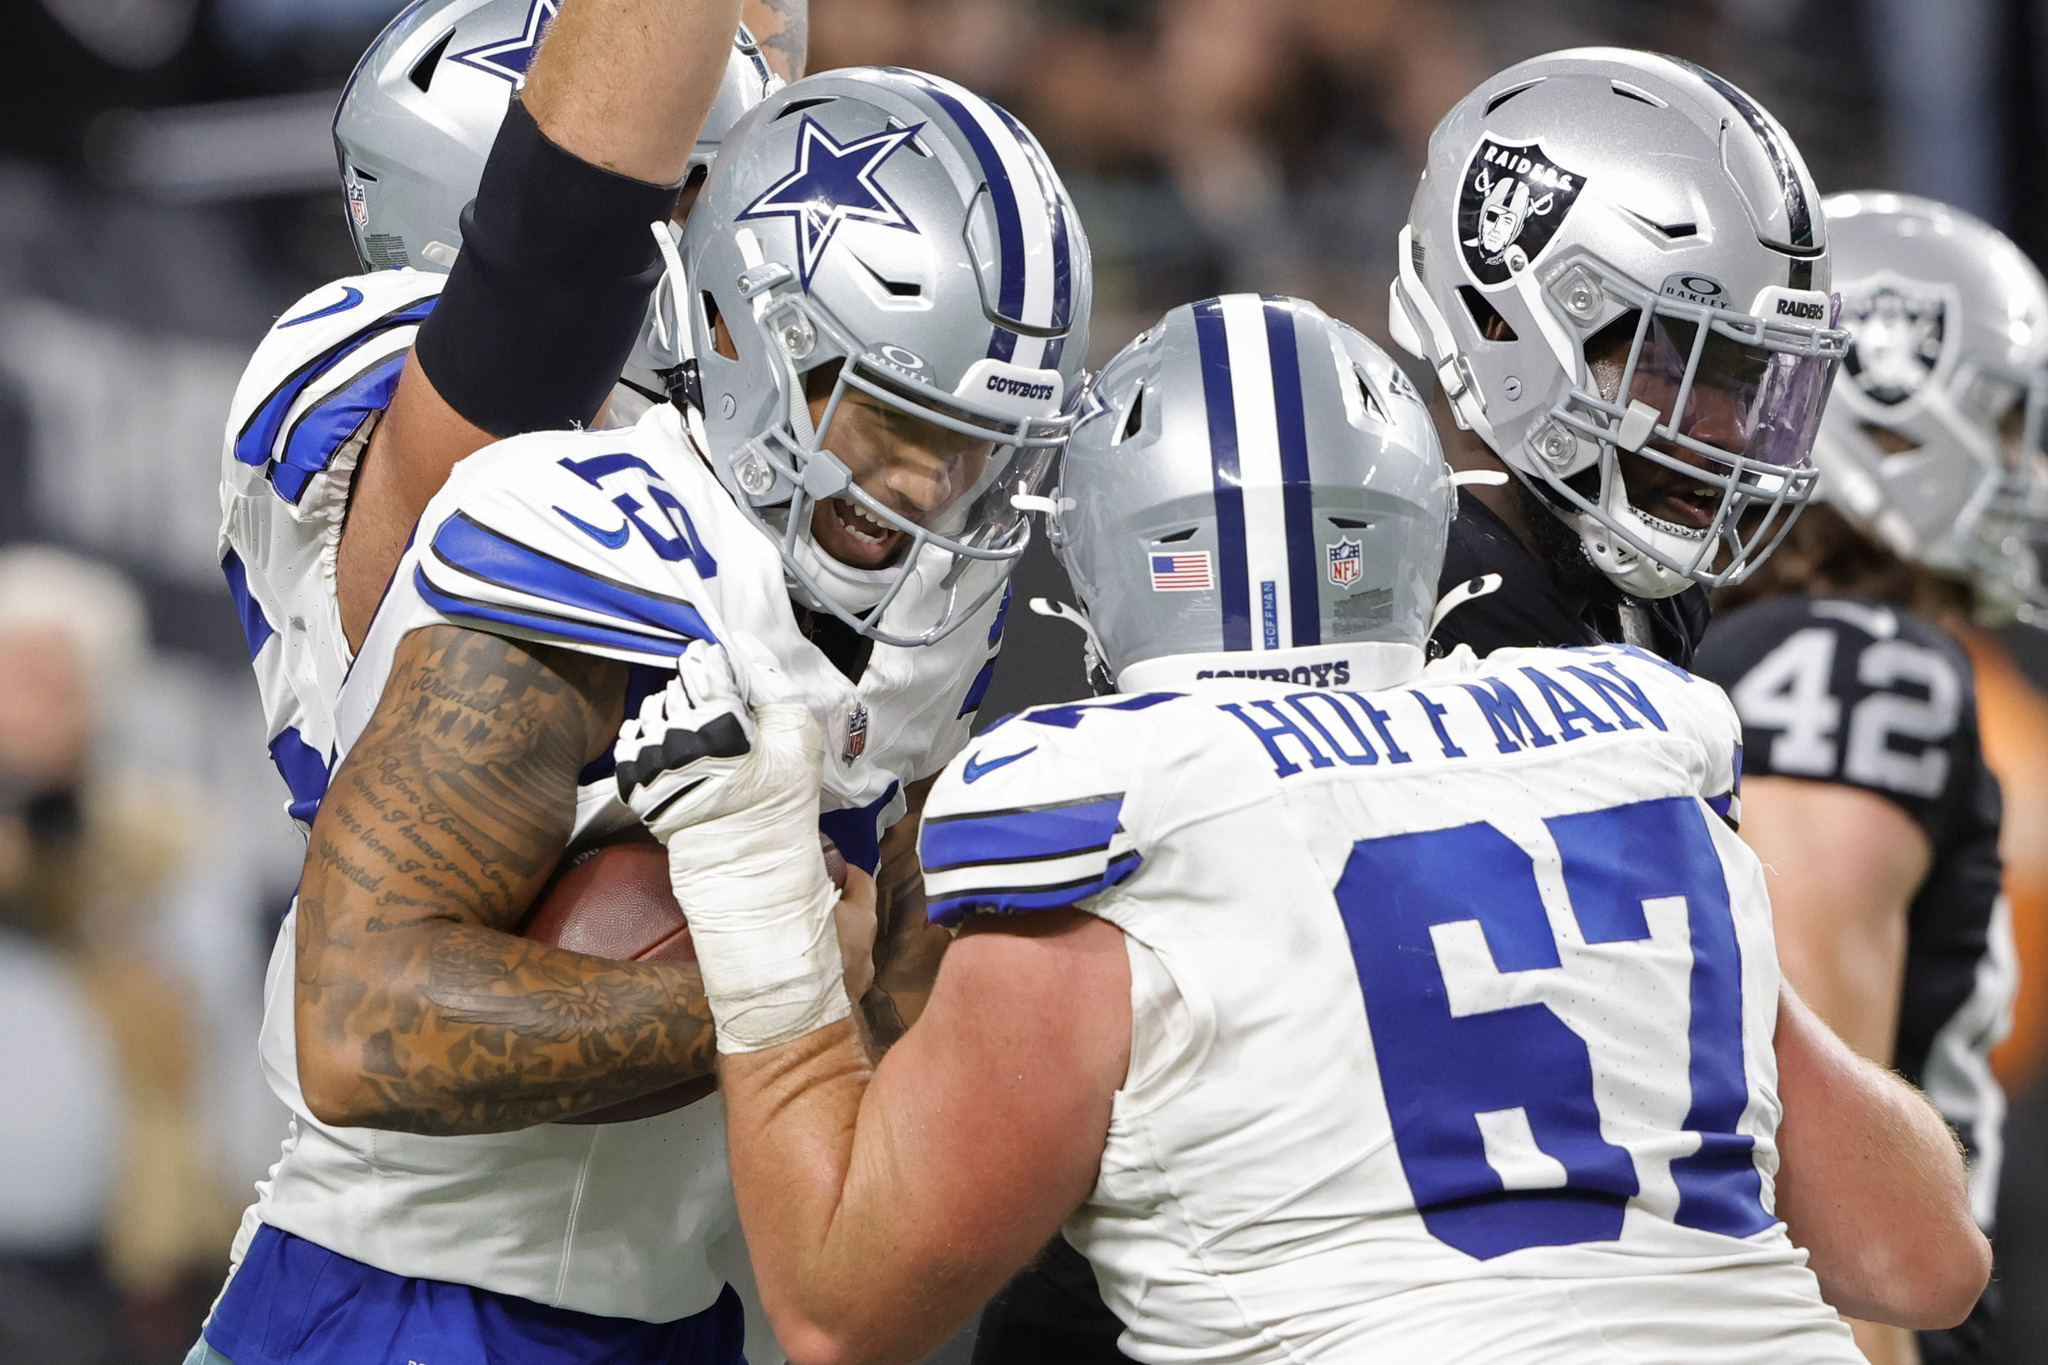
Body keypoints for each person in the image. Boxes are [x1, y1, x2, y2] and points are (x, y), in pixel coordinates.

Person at [613, 293, 1988, 1364]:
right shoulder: (1627, 741)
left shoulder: (1108, 814)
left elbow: (846, 1313)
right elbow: (1927, 1255)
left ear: (1098, 558)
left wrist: (755, 898)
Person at [199, 45, 1091, 1365]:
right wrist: (776, 977)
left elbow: (882, 1004)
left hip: (687, 1315)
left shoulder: (914, 606)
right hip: (414, 1314)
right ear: (741, 328)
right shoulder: (585, 532)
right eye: (891, 417)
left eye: (974, 444)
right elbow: (357, 1023)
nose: (925, 484)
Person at [1692, 192, 2039, 1365]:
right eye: (2002, 422)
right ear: (1890, 405)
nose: (2017, 467)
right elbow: (1818, 1171)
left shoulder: (1753, 655)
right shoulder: (1845, 663)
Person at [1387, 48, 1848, 668]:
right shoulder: (1397, 607)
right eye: (1679, 364)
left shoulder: (1640, 605)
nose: (1731, 432)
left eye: (1747, 381)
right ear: (1499, 324)